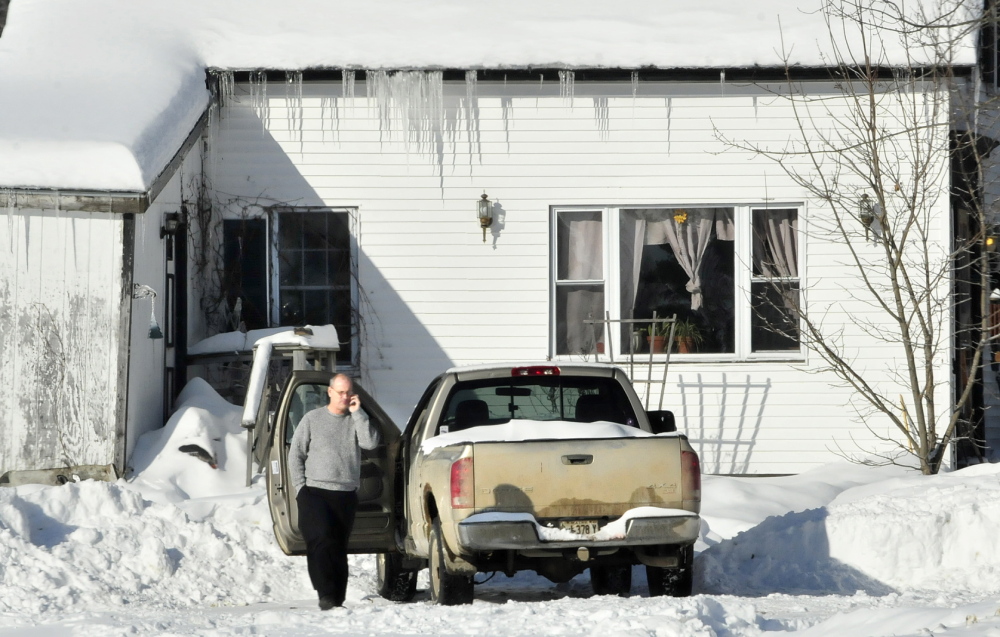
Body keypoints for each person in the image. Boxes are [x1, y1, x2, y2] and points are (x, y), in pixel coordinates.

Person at [288, 373, 382, 610]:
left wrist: (358, 413)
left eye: (348, 392)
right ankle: (326, 594)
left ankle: (336, 598)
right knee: (320, 539)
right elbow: (295, 454)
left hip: (346, 493)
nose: (344, 396)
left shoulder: (356, 419)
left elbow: (370, 443)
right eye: (340, 392)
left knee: (338, 546)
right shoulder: (312, 419)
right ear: (329, 392)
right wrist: (301, 489)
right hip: (315, 492)